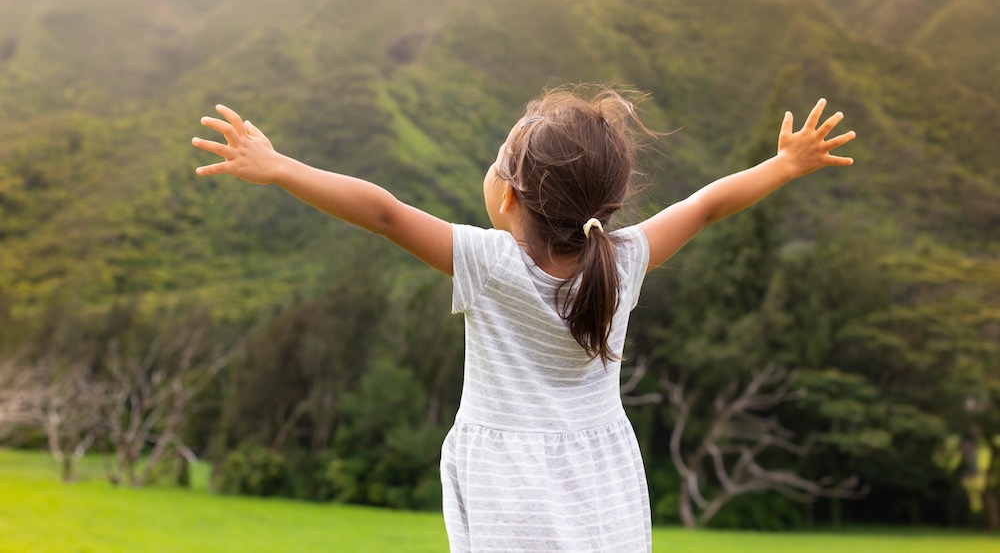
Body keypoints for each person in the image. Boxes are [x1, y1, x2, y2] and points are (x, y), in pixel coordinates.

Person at [192, 85, 855, 552]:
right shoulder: (624, 259)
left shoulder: (488, 261)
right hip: (602, 477)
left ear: (506, 194)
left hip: (509, 485)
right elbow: (706, 205)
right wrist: (785, 163)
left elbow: (384, 211)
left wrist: (279, 167)